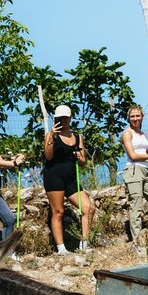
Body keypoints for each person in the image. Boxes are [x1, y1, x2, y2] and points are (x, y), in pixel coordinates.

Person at [43, 104, 94, 254]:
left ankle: (84, 244)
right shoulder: (51, 135)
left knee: (88, 207)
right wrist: (51, 137)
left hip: (71, 178)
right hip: (54, 176)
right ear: (56, 119)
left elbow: (83, 161)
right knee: (58, 211)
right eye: (60, 118)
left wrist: (81, 158)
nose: (63, 121)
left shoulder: (78, 137)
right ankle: (61, 248)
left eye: (66, 118)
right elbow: (48, 156)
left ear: (70, 118)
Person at [119, 104, 148, 237]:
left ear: (142, 117)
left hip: (145, 170)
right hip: (133, 170)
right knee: (136, 207)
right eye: (132, 116)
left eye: (137, 116)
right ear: (128, 118)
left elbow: (145, 153)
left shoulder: (142, 134)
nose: (135, 118)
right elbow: (133, 156)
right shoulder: (127, 133)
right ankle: (137, 242)